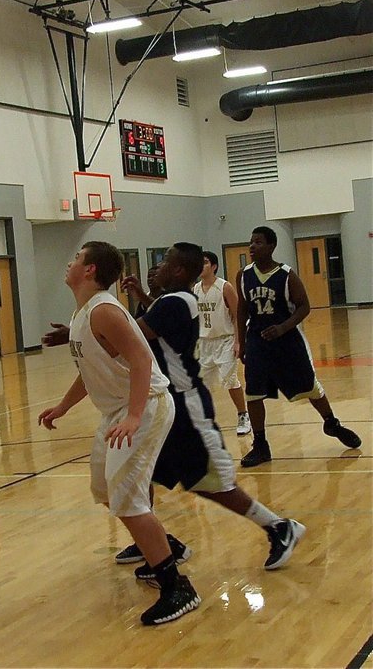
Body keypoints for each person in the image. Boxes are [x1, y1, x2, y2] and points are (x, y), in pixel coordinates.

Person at [37, 241, 200, 626]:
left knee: (126, 497)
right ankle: (165, 545)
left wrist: (134, 415)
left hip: (146, 407)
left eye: (77, 257)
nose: (70, 261)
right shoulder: (83, 312)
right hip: (118, 410)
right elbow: (91, 369)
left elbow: (143, 360)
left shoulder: (105, 311)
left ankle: (176, 586)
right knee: (108, 489)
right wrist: (63, 406)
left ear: (90, 269)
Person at [133, 242, 305, 576]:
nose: (159, 266)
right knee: (143, 473)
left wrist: (80, 331)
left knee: (212, 483)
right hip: (168, 403)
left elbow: (131, 335)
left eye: (165, 261)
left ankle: (278, 526)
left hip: (187, 406)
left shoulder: (172, 302)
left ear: (180, 270)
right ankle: (156, 543)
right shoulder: (177, 299)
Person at [236, 226, 361, 467]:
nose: (252, 246)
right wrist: (241, 341)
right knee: (253, 392)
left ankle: (331, 423)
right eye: (251, 242)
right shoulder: (244, 275)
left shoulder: (286, 274)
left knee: (309, 386)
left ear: (271, 246)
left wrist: (282, 327)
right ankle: (260, 445)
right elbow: (242, 308)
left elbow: (304, 306)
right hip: (258, 341)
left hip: (287, 342)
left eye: (258, 242)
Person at [194, 251, 251, 436]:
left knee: (229, 379)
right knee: (202, 384)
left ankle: (243, 415)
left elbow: (237, 316)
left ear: (214, 266)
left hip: (225, 340)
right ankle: (205, 419)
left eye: (204, 262)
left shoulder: (224, 287)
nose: (200, 265)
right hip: (204, 342)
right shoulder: (195, 289)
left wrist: (238, 341)